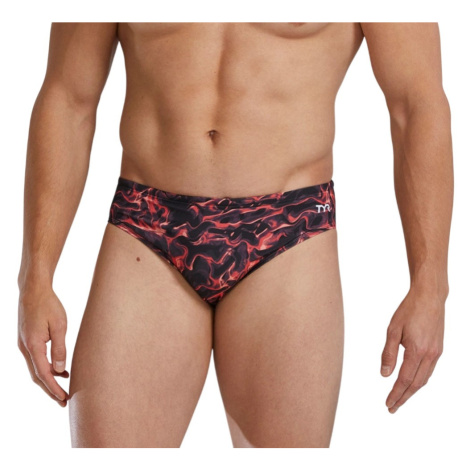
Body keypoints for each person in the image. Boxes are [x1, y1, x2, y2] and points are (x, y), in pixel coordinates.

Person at [17, 22, 453, 448]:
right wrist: (35, 278)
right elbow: (68, 97)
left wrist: (430, 288)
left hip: (288, 231)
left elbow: (416, 105)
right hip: (147, 224)